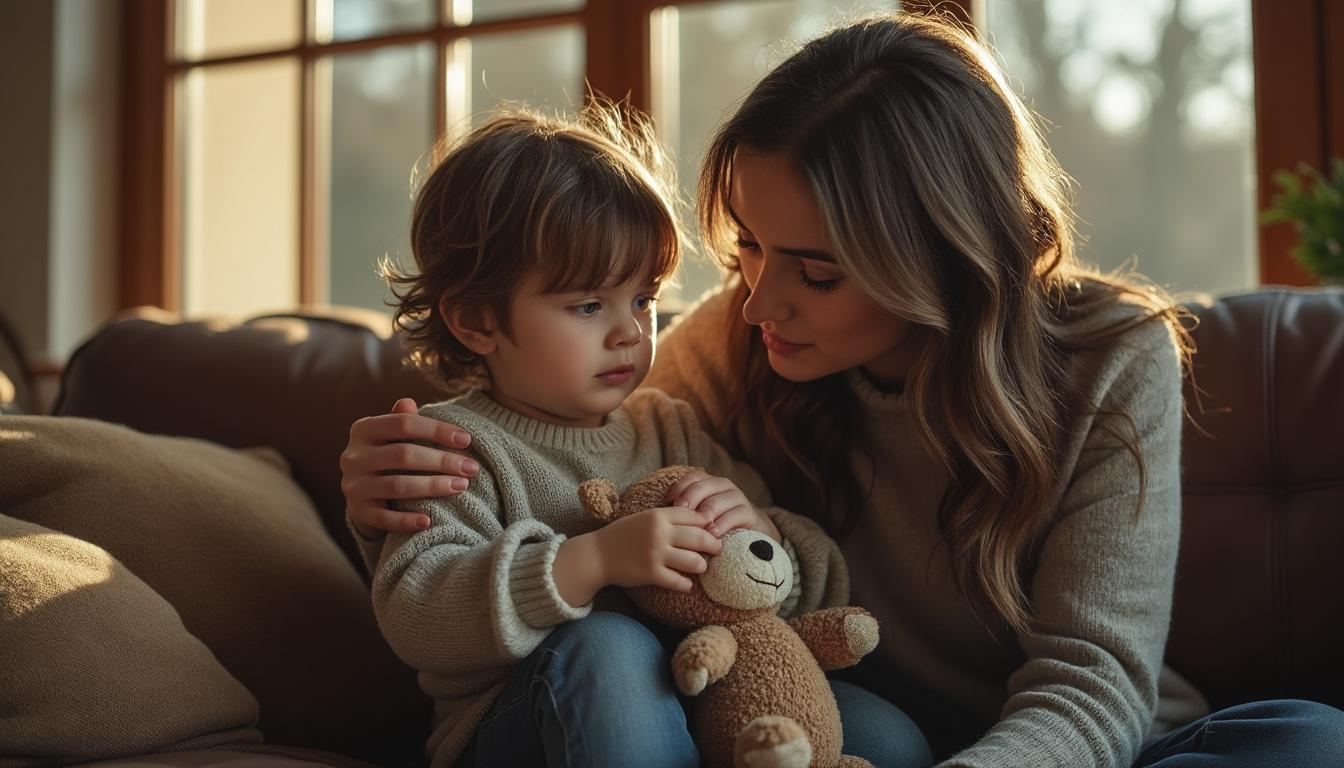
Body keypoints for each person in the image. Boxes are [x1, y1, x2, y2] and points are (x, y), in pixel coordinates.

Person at [342, 12, 1344, 768]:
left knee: (1308, 742)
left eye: (818, 271)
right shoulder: (736, 339)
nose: (762, 299)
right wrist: (382, 477)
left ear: (939, 260)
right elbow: (539, 417)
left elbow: (1094, 686)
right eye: (749, 250)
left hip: (1063, 752)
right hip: (833, 728)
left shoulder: (1110, 357)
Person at [352, 104, 930, 768]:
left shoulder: (669, 427)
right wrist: (592, 562)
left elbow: (810, 586)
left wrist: (759, 538)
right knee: (611, 646)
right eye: (589, 305)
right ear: (477, 320)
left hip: (701, 695)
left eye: (645, 299)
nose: (630, 330)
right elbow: (418, 614)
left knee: (887, 738)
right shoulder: (453, 447)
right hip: (519, 730)